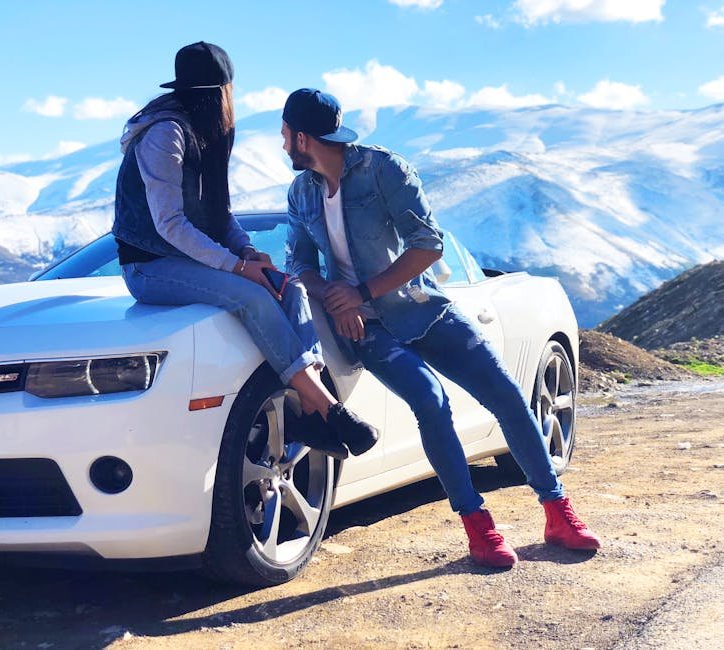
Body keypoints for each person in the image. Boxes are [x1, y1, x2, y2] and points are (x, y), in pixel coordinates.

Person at [280, 88, 600, 568]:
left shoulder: (383, 169)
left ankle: (558, 512)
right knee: (431, 402)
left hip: (423, 308)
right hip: (366, 329)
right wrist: (335, 297)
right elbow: (299, 264)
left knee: (507, 394)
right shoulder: (301, 193)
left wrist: (362, 291)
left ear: (303, 137)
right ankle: (478, 527)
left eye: (285, 136)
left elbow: (429, 246)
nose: (283, 145)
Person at [112, 44, 377, 458]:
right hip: (150, 265)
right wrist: (236, 267)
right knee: (252, 294)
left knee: (290, 288)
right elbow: (170, 225)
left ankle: (310, 408)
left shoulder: (205, 133)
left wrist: (248, 253)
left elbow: (219, 214)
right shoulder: (166, 134)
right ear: (221, 91)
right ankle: (327, 407)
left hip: (193, 260)